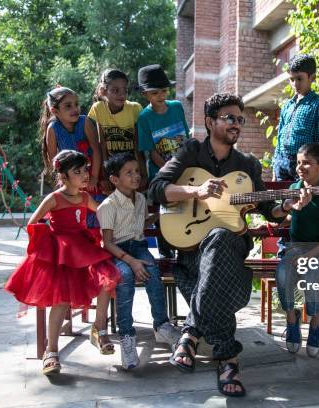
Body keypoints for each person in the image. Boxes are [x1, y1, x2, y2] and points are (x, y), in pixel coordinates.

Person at [148, 93, 311, 397]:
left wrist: (287, 207)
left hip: (232, 249)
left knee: (222, 236)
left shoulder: (247, 164)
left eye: (240, 118)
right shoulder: (190, 152)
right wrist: (195, 191)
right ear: (210, 122)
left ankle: (192, 331)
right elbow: (157, 188)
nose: (237, 123)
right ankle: (228, 359)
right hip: (192, 248)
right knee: (217, 274)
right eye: (229, 118)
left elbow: (267, 210)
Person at [5, 150, 120, 376]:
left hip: (83, 248)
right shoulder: (54, 198)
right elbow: (33, 222)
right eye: (77, 172)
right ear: (64, 177)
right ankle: (52, 351)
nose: (84, 175)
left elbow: (104, 212)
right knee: (61, 300)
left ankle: (98, 329)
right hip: (63, 255)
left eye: (85, 170)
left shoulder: (86, 198)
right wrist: (49, 244)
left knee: (108, 278)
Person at [97, 152, 181, 370]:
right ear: (115, 179)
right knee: (124, 276)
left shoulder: (141, 198)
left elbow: (142, 223)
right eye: (129, 173)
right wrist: (131, 262)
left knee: (152, 271)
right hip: (116, 252)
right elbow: (107, 243)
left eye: (137, 171)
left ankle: (161, 325)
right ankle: (126, 337)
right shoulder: (108, 205)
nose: (136, 176)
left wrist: (162, 215)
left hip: (139, 247)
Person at [275, 143, 319, 358]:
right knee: (283, 273)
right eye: (298, 163)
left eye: (306, 163)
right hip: (294, 248)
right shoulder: (294, 189)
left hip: (318, 250)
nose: (300, 167)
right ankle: (291, 320)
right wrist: (286, 215)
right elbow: (291, 217)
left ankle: (316, 321)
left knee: (312, 276)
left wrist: (307, 257)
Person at [136, 64, 190, 258]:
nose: (161, 95)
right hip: (161, 174)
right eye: (155, 92)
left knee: (187, 207)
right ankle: (165, 250)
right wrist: (170, 171)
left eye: (164, 90)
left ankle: (186, 247)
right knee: (164, 212)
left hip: (184, 169)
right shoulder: (144, 118)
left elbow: (186, 140)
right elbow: (151, 153)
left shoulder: (176, 107)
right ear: (145, 94)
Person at [39, 86, 103, 227]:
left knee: (96, 214)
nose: (75, 109)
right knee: (75, 215)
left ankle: (96, 243)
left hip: (91, 177)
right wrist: (65, 181)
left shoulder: (84, 122)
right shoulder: (53, 128)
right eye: (68, 106)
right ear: (55, 111)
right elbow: (54, 160)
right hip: (70, 180)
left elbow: (96, 150)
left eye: (76, 104)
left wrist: (94, 177)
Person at [272, 54, 319, 182]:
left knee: (303, 197)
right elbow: (280, 134)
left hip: (304, 162)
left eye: (299, 79)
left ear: (312, 78)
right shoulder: (287, 105)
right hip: (281, 161)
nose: (295, 83)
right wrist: (275, 164)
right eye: (292, 79)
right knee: (282, 199)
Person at [88, 68, 147, 189]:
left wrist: (143, 174)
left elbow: (138, 146)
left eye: (125, 90)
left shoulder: (134, 109)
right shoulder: (98, 108)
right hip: (113, 170)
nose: (121, 95)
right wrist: (105, 175)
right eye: (115, 90)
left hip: (132, 169)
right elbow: (102, 144)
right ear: (103, 91)